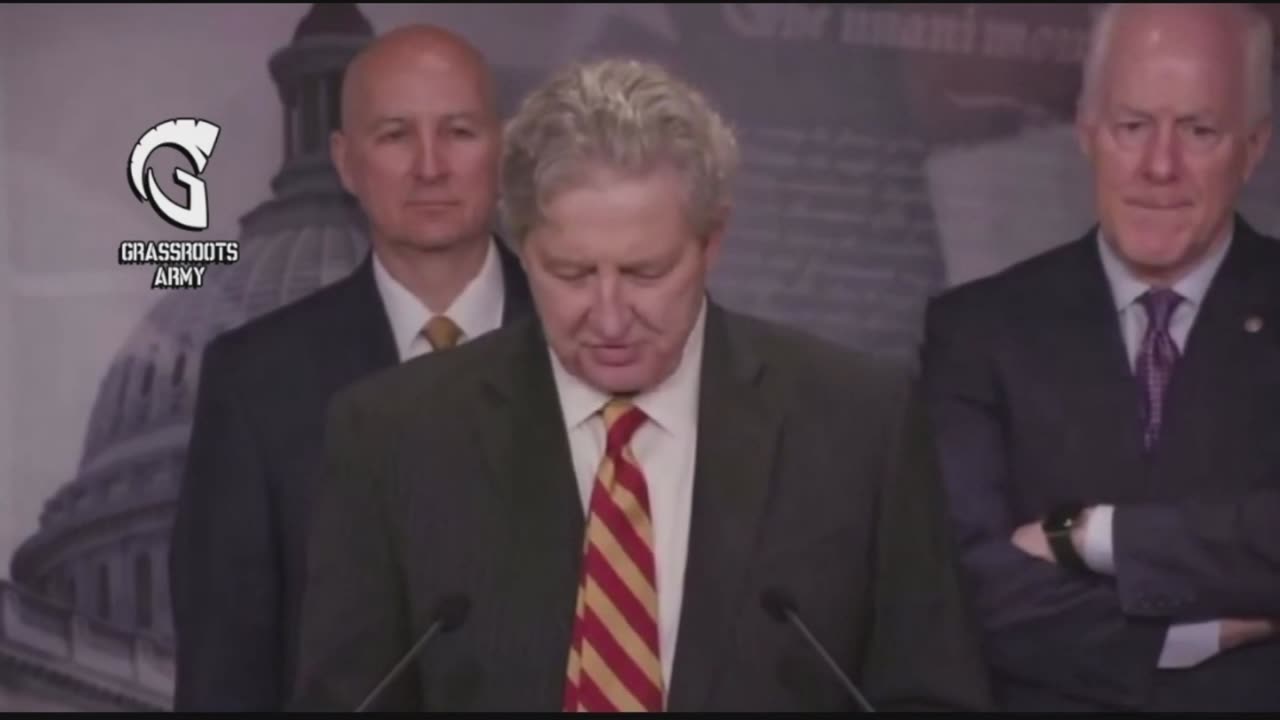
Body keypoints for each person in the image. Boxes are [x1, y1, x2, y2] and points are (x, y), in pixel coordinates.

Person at [288, 56, 993, 712]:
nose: (610, 315)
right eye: (570, 274)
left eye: (646, 273)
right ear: (523, 244)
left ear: (712, 241)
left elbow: (931, 693)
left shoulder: (857, 424)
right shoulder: (396, 436)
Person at [922, 3, 1280, 711]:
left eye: (1200, 130)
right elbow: (958, 581)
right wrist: (1192, 637)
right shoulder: (978, 330)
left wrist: (1094, 536)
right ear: (1087, 133)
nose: (1159, 166)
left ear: (1255, 145)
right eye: (1132, 126)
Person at [168, 24, 533, 711]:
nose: (430, 166)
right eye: (395, 135)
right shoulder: (254, 384)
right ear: (345, 160)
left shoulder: (604, 345)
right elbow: (225, 677)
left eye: (457, 131)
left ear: (503, 147)